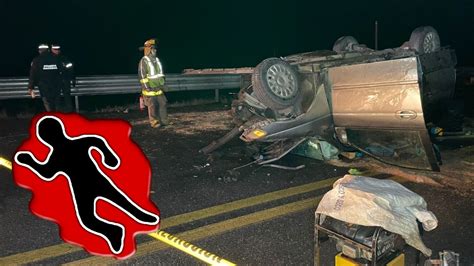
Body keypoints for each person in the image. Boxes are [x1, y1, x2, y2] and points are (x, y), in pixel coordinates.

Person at [138, 39, 169, 128]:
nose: (155, 50)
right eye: (152, 48)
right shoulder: (144, 60)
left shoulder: (157, 60)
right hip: (150, 88)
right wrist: (147, 87)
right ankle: (155, 122)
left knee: (162, 104)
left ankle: (164, 121)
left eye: (155, 48)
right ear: (148, 49)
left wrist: (164, 84)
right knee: (152, 106)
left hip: (159, 87)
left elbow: (160, 74)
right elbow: (142, 75)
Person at [28, 44, 63, 112]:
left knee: (47, 102)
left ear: (39, 51)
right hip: (56, 85)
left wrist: (31, 87)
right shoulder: (57, 58)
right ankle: (56, 116)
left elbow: (32, 74)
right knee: (56, 103)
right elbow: (62, 71)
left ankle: (51, 116)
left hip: (43, 86)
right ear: (48, 50)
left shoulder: (36, 60)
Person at [51, 44, 75, 112]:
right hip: (55, 81)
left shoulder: (64, 58)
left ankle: (70, 111)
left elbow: (71, 68)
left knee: (67, 96)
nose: (57, 51)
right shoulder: (49, 58)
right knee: (56, 97)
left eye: (58, 49)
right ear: (52, 50)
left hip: (65, 80)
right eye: (55, 49)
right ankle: (56, 111)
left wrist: (72, 78)